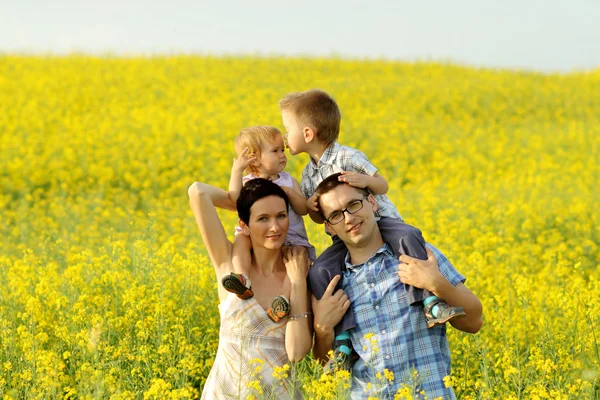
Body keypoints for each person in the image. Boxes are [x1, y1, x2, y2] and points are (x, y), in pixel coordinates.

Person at [279, 89, 465, 372]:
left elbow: (382, 184)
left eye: (286, 129)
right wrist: (314, 206)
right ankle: (342, 342)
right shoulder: (307, 176)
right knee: (319, 272)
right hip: (344, 241)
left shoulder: (348, 156)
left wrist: (362, 179)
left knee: (410, 237)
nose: (283, 136)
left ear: (307, 134)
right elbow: (320, 220)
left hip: (383, 224)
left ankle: (430, 302)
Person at [311, 175, 483, 399]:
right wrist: (323, 331)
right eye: (335, 215)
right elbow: (326, 366)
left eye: (353, 205)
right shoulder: (332, 285)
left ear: (372, 203)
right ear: (329, 228)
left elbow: (474, 322)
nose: (348, 218)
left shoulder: (419, 256)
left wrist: (436, 283)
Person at [188, 178, 312, 399]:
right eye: (262, 218)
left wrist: (298, 283)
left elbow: (297, 352)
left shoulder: (299, 272)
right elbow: (198, 192)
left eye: (281, 216)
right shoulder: (228, 264)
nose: (275, 227)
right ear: (244, 225)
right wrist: (243, 201)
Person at [222, 126, 316, 322]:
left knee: (297, 261)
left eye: (283, 149)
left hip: (292, 238)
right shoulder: (249, 181)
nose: (283, 155)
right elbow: (235, 198)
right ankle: (242, 278)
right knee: (240, 239)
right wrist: (237, 170)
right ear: (254, 158)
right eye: (275, 151)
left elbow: (303, 209)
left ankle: (282, 298)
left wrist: (289, 193)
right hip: (256, 235)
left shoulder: (289, 180)